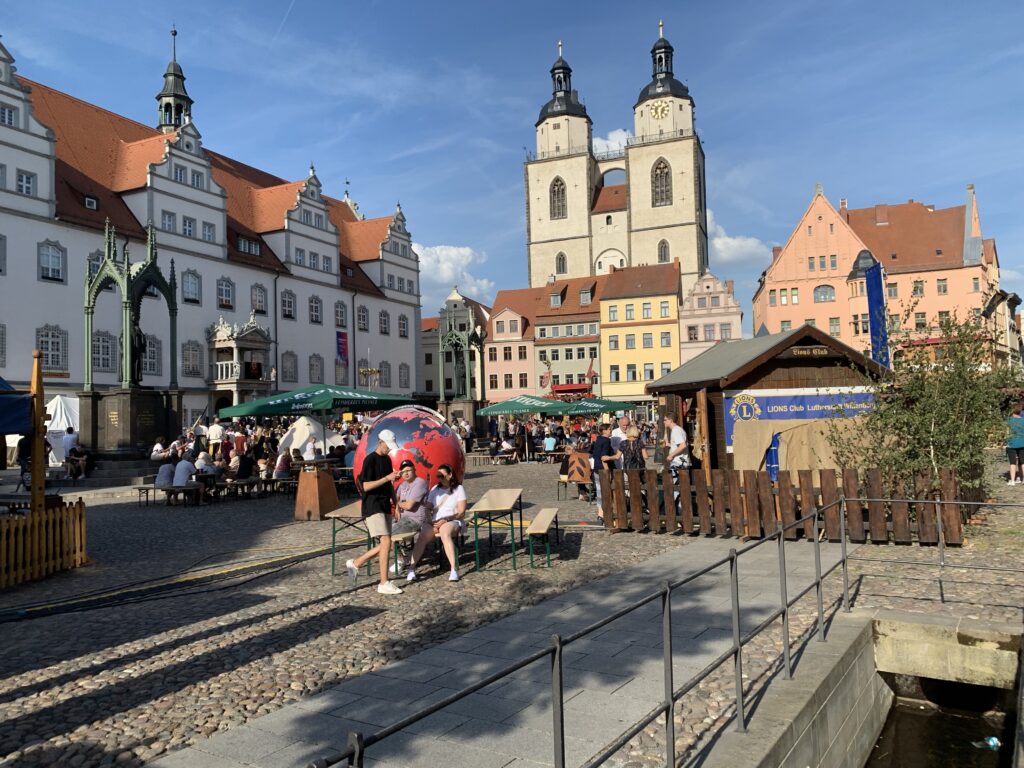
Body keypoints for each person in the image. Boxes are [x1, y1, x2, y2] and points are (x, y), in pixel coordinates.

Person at [346, 436, 403, 594]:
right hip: (372, 504)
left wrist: (396, 504)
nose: (389, 449)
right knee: (386, 541)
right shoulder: (370, 459)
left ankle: (356, 563)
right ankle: (383, 582)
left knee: (387, 544)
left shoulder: (387, 460)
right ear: (380, 442)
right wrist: (387, 478)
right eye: (387, 446)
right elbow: (366, 486)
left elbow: (389, 484)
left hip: (384, 503)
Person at [406, 464, 466, 583]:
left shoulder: (459, 489)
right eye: (438, 476)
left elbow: (461, 512)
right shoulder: (435, 489)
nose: (440, 478)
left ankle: (454, 569)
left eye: (442, 475)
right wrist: (429, 520)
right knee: (423, 536)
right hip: (436, 520)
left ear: (450, 475)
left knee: (445, 533)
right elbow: (428, 508)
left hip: (452, 519)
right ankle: (411, 569)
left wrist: (446, 519)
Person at [388, 460, 431, 575]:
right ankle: (405, 555)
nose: (406, 473)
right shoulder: (402, 485)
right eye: (403, 472)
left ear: (414, 470)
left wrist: (398, 504)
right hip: (403, 519)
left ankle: (402, 559)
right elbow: (392, 498)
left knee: (388, 533)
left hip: (416, 519)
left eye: (408, 470)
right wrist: (392, 482)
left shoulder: (420, 483)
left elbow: (409, 505)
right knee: (382, 530)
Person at [590, 422, 620, 519]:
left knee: (599, 491)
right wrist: (615, 457)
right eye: (609, 429)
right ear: (604, 431)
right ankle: (606, 513)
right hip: (603, 469)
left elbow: (595, 454)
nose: (610, 430)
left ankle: (600, 513)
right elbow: (604, 457)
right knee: (606, 491)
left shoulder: (598, 440)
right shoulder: (606, 440)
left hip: (596, 468)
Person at [664, 412, 689, 482]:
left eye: (665, 420)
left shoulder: (676, 430)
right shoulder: (676, 430)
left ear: (671, 420)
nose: (664, 422)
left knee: (676, 487)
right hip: (679, 462)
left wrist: (671, 455)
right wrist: (669, 445)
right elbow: (679, 445)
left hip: (679, 462)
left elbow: (683, 445)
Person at [1007, 405, 1024, 484]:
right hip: (1022, 443)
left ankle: (1012, 480)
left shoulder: (1009, 420)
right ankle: (1023, 479)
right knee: (1023, 462)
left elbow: (1007, 432)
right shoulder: (1023, 420)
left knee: (1012, 463)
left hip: (1012, 443)